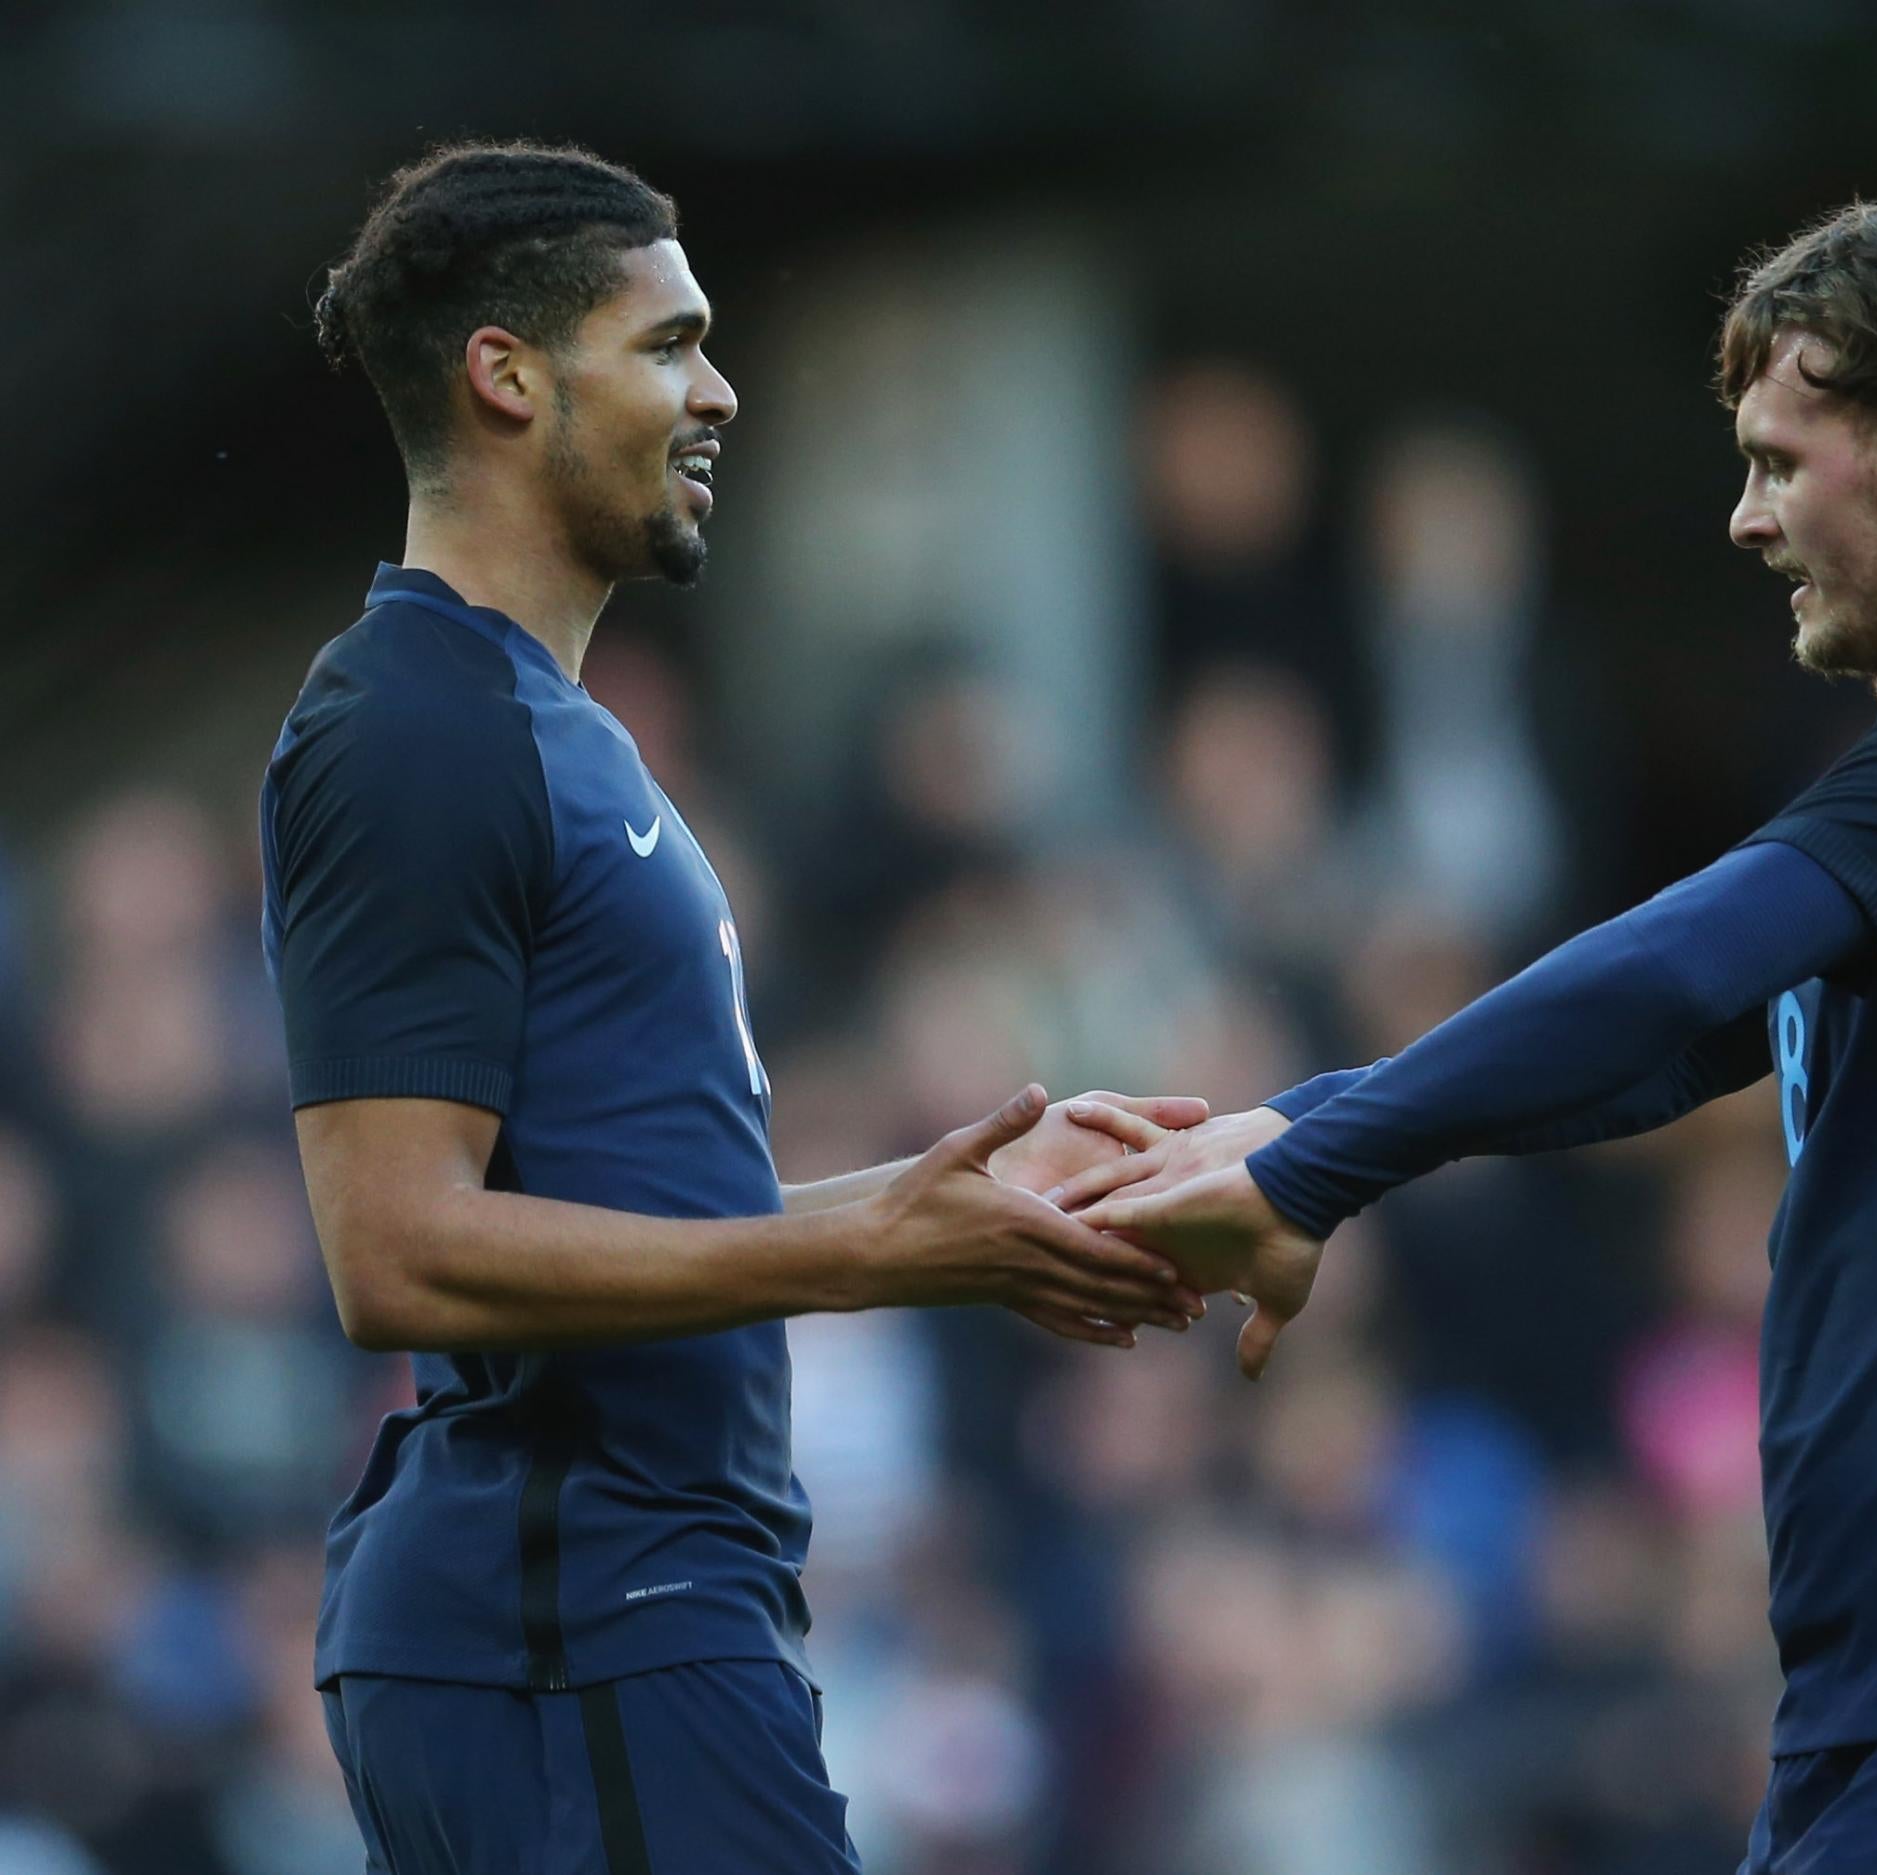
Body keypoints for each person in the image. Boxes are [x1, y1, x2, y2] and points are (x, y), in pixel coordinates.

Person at [1059, 192, 1877, 1873]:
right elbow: (1644, 1047)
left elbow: (1675, 966)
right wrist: (1297, 1127)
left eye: (1781, 459)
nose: (1744, 520)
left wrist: (1321, 1162)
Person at [264, 140, 1204, 1875]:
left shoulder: (558, 729)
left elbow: (634, 1221)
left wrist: (937, 1203)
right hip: (569, 1629)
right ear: (508, 376)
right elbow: (394, 1250)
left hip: (639, 1618)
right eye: (670, 342)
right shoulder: (412, 730)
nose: (721, 386)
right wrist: (863, 1256)